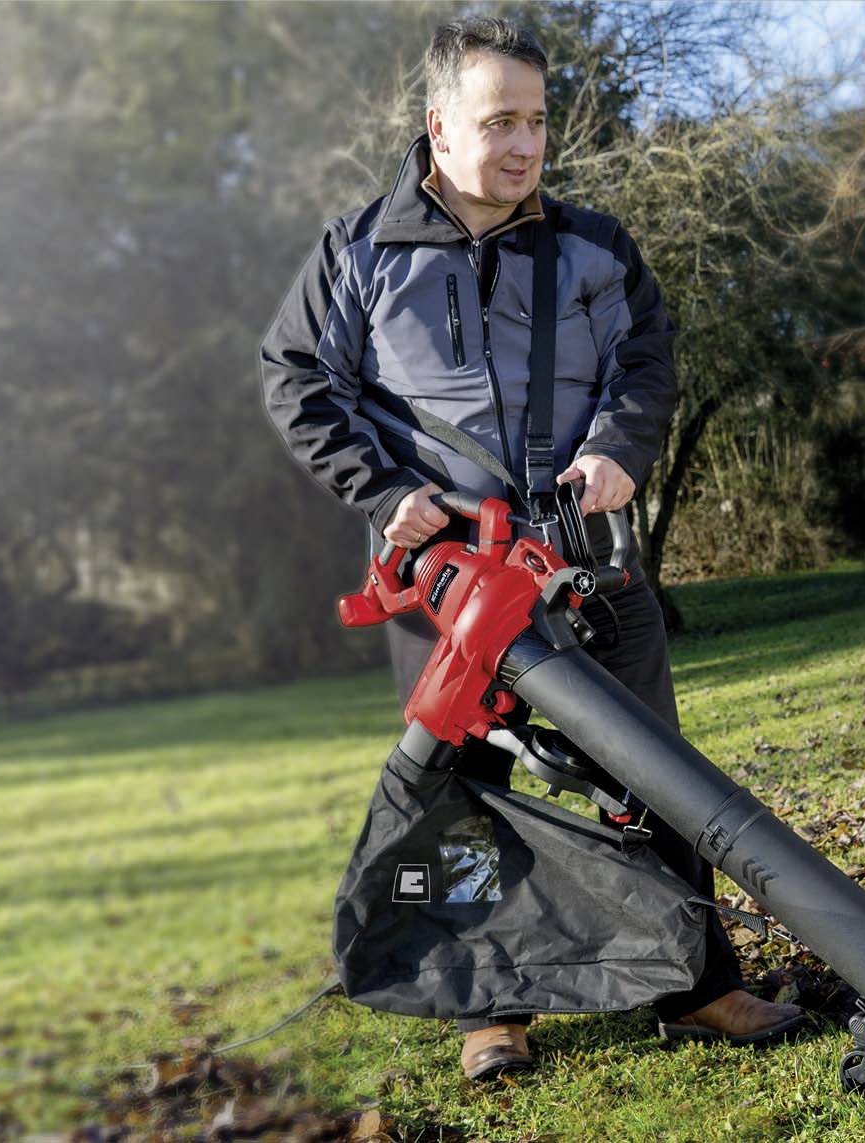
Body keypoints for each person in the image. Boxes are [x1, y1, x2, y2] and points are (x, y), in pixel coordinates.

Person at [257, 16, 802, 1082]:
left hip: (587, 561)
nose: (523, 144)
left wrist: (618, 450)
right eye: (498, 120)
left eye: (537, 122)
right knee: (464, 795)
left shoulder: (598, 246)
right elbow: (296, 381)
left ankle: (697, 985)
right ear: (438, 127)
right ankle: (490, 1009)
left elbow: (645, 361)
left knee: (654, 773)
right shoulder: (355, 252)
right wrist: (384, 492)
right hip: (449, 584)